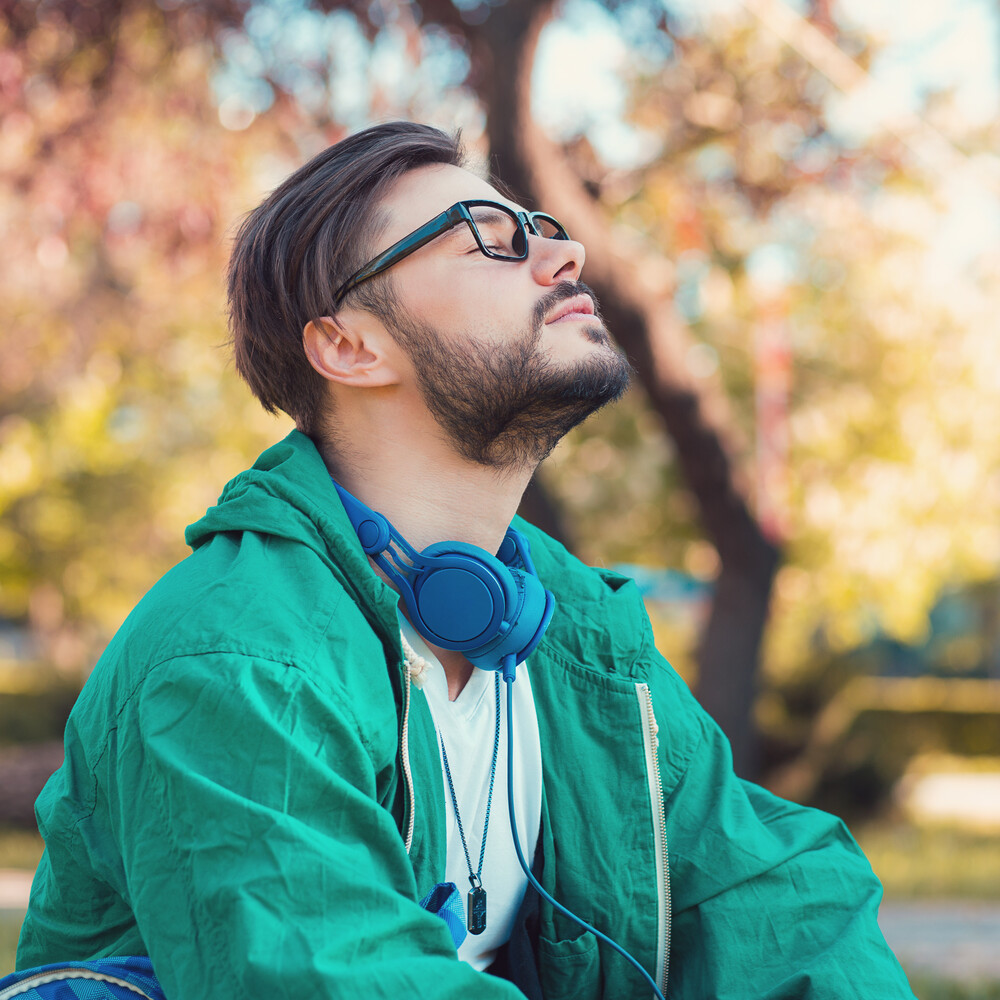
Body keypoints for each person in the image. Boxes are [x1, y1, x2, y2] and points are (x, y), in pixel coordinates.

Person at [15, 121, 916, 999]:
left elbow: (784, 899)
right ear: (349, 346)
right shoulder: (234, 657)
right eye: (487, 239)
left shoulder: (582, 637)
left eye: (541, 230)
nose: (564, 255)